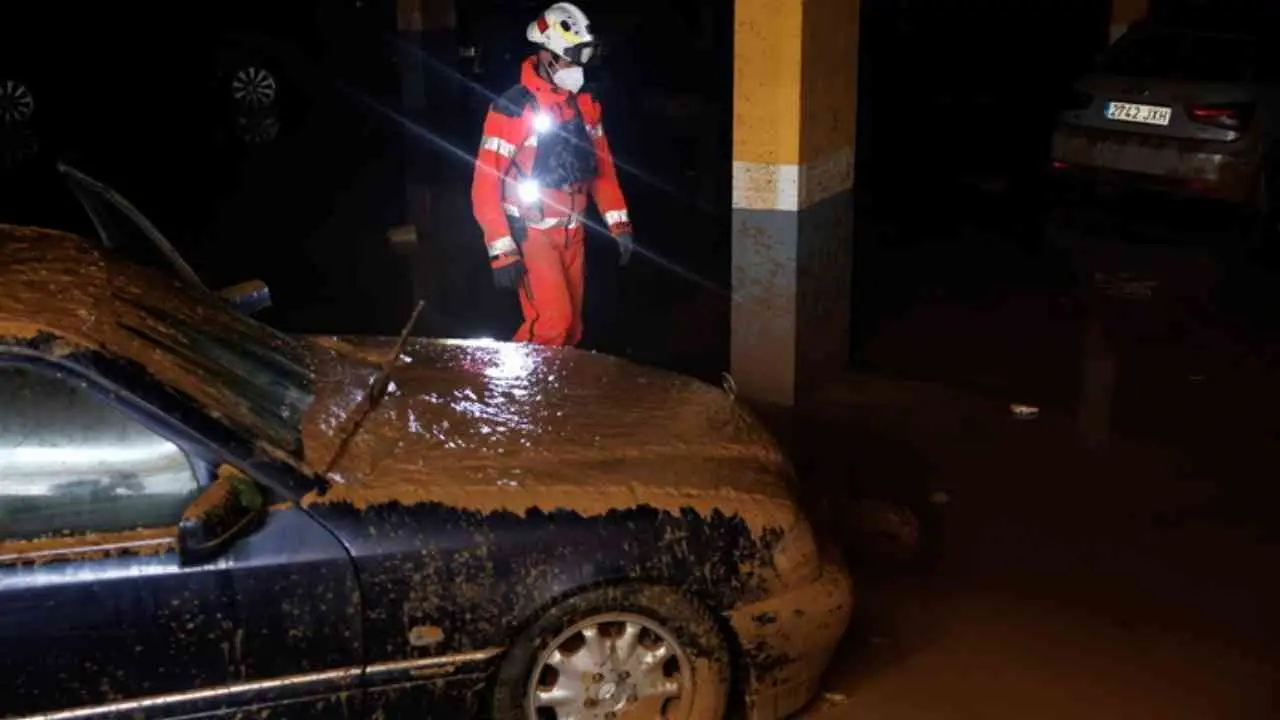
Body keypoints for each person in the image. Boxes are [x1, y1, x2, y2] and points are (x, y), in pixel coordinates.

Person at [470, 1, 634, 347]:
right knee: (551, 324)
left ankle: (555, 398)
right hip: (531, 234)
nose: (580, 67)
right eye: (574, 57)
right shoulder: (512, 110)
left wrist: (619, 224)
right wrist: (502, 251)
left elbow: (601, 168)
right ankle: (516, 397)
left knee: (572, 329)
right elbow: (485, 185)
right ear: (548, 56)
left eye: (585, 57)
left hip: (573, 232)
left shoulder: (585, 106)